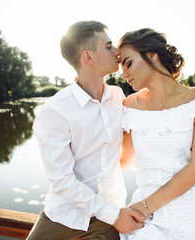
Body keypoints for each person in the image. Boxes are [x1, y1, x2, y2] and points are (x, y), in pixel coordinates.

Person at [27, 21, 145, 240]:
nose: (117, 52)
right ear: (88, 57)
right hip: (60, 217)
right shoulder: (55, 111)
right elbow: (61, 180)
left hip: (107, 221)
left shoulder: (119, 97)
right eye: (109, 46)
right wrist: (114, 215)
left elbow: (129, 152)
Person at [117, 28, 195, 240]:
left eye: (128, 63)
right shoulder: (128, 106)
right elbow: (123, 161)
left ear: (151, 55)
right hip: (145, 214)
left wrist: (145, 208)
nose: (123, 74)